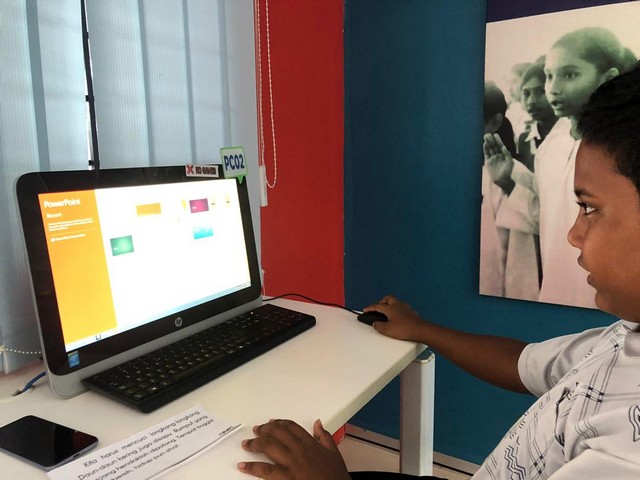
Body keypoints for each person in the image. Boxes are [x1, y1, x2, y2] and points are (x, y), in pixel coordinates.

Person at [237, 63, 640, 479]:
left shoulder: (627, 454)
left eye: (590, 208)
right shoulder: (624, 334)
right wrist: (422, 329)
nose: (573, 234)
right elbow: (525, 363)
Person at [484, 27, 634, 308]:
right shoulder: (552, 145)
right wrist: (508, 182)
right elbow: (546, 219)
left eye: (570, 75)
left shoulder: (624, 147)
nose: (553, 88)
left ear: (608, 79)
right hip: (556, 290)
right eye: (550, 76)